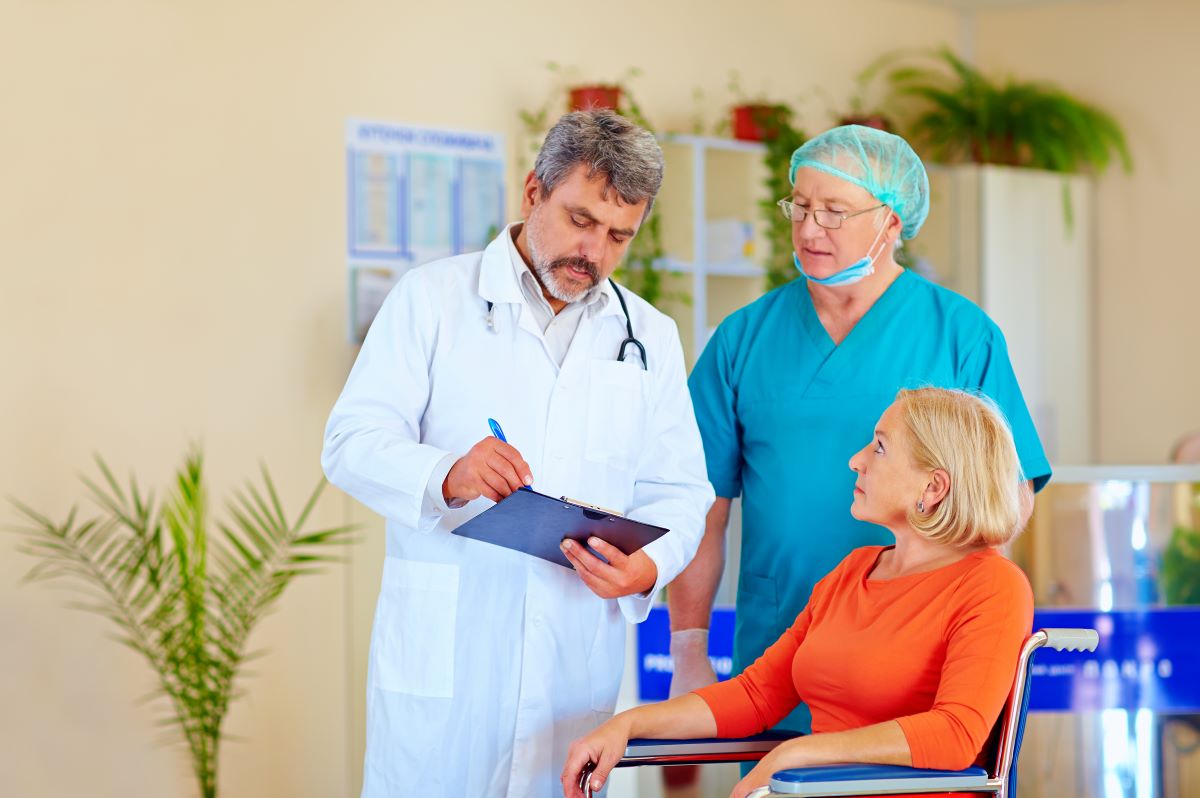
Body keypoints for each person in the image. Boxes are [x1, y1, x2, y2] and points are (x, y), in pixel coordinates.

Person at [321, 109, 714, 798]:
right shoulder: (432, 301)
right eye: (580, 220)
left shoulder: (647, 335)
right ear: (533, 193)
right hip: (448, 669)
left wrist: (647, 566)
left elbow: (682, 491)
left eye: (619, 235)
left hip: (575, 671)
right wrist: (448, 473)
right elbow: (350, 442)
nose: (593, 253)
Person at [668, 125, 1051, 734]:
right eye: (800, 205)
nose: (810, 227)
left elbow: (999, 505)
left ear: (891, 221)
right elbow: (699, 508)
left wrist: (979, 659)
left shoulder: (959, 335)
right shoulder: (743, 339)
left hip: (918, 667)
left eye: (834, 211)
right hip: (776, 658)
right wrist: (688, 653)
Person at [564, 387, 1035, 798]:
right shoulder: (853, 572)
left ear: (933, 486)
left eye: (880, 448)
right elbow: (754, 695)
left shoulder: (992, 585)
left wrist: (801, 753)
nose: (857, 460)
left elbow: (955, 734)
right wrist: (627, 726)